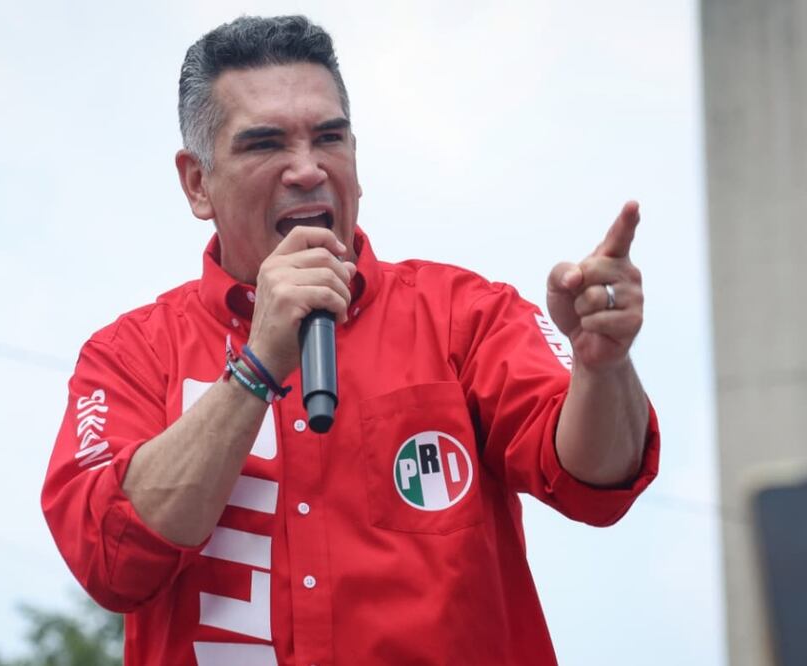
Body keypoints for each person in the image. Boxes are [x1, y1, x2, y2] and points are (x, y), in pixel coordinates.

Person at [42, 14, 660, 666]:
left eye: (328, 138)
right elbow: (111, 563)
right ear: (197, 183)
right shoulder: (130, 355)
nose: (307, 170)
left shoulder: (463, 314)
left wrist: (604, 366)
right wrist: (257, 365)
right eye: (264, 145)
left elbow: (596, 483)